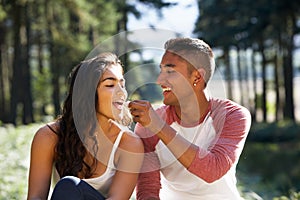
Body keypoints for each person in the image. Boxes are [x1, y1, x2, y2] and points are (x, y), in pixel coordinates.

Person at [128, 38, 251, 199]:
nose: (159, 80)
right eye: (161, 71)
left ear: (197, 78)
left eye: (170, 71)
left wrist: (159, 127)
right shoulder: (148, 125)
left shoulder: (232, 115)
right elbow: (148, 189)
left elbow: (212, 170)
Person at [27, 52, 144, 200]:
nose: (122, 93)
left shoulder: (129, 144)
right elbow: (35, 197)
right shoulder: (48, 136)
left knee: (69, 186)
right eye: (110, 85)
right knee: (69, 186)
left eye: (122, 84)